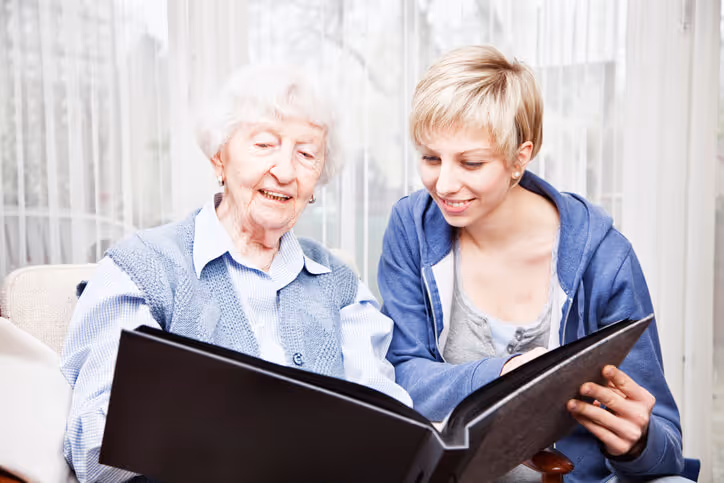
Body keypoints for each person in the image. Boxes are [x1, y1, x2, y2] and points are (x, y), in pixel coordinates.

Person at [61, 64, 411, 483]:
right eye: (264, 144)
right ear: (219, 157)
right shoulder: (140, 269)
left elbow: (388, 427)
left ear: (319, 177)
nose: (284, 171)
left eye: (306, 153)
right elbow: (94, 448)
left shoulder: (339, 285)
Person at [378, 45, 694, 482]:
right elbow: (401, 376)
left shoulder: (604, 258)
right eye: (431, 158)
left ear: (519, 158)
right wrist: (502, 376)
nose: (444, 183)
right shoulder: (413, 228)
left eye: (471, 162)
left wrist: (639, 442)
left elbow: (667, 452)